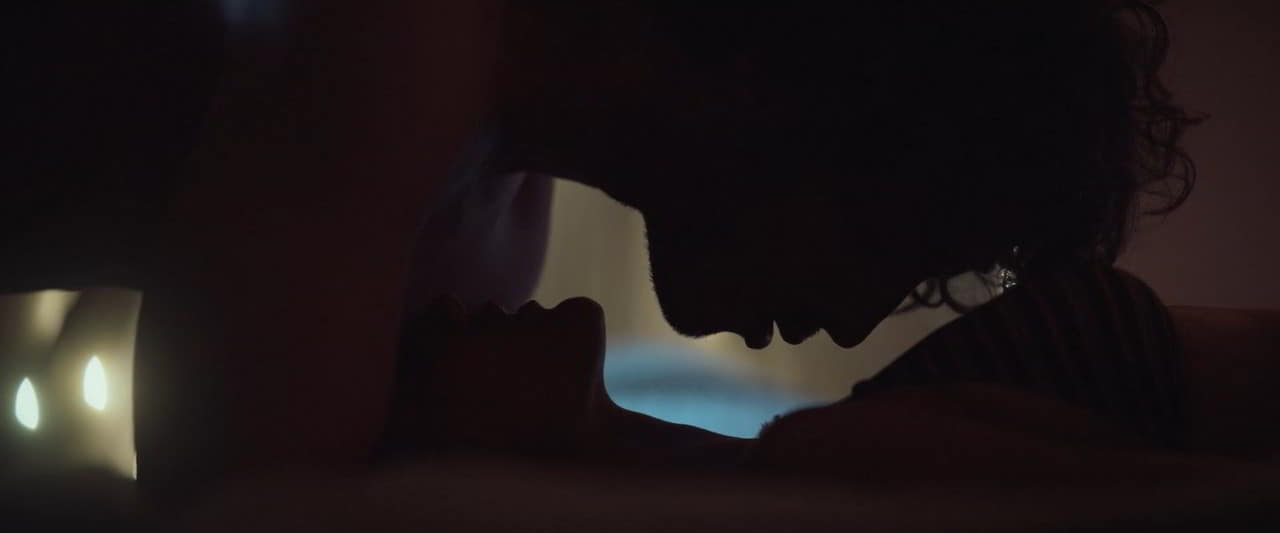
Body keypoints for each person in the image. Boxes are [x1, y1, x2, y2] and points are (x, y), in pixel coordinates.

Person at [6, 0, 1201, 500]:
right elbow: (238, 500)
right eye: (902, 245)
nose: (850, 322)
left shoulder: (484, 270)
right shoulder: (405, 49)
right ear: (838, 117)